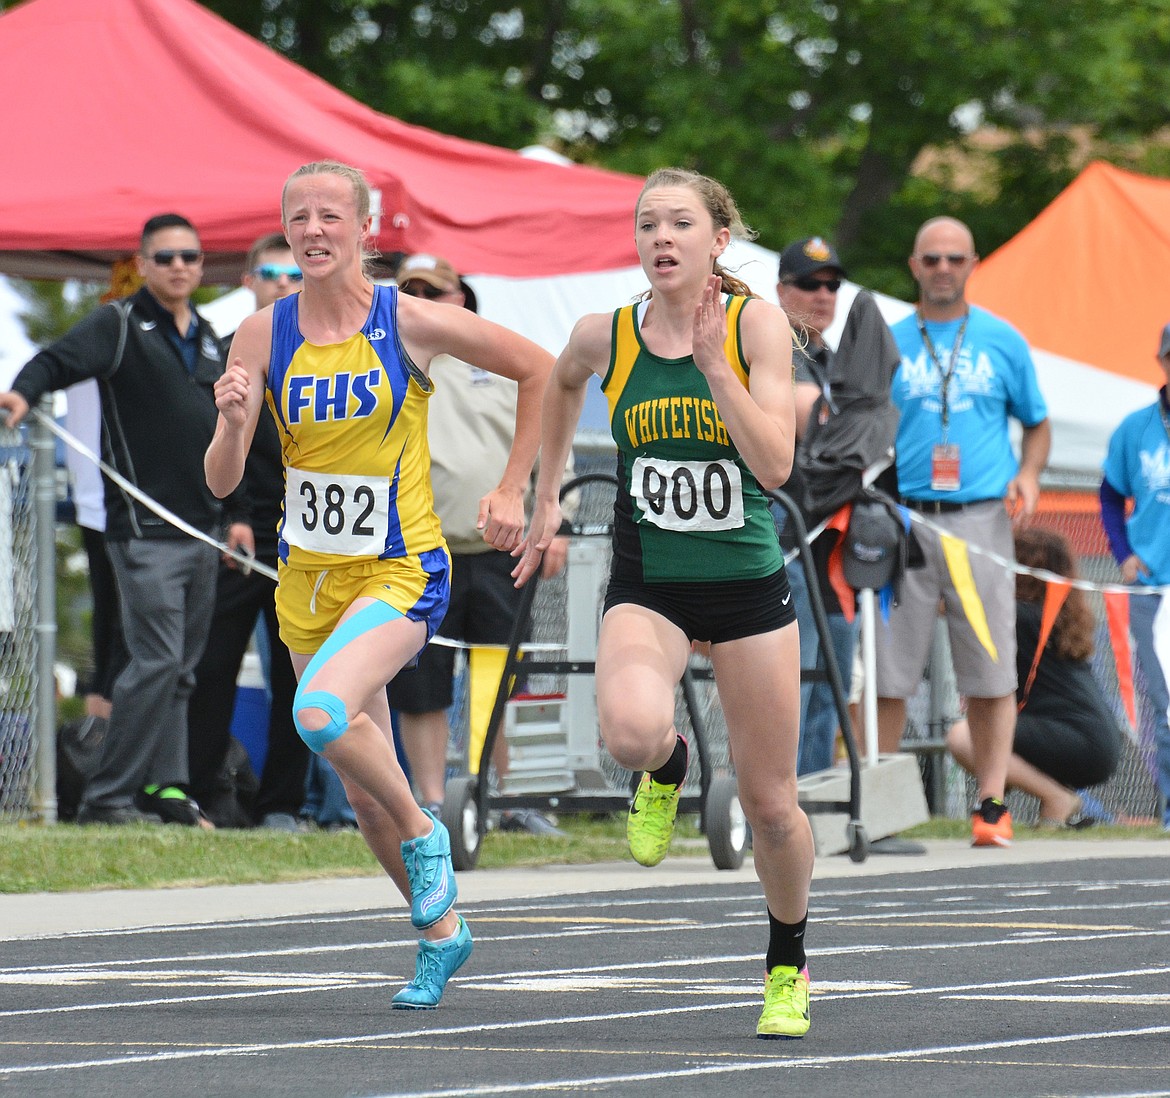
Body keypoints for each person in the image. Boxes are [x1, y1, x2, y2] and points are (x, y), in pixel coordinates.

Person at [205, 160, 553, 1008]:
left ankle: (426, 826)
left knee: (320, 713)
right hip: (307, 583)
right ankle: (440, 936)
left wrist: (514, 488)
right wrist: (232, 418)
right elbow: (219, 483)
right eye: (299, 218)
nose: (314, 231)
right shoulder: (259, 334)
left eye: (331, 216)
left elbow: (540, 368)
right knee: (361, 792)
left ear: (367, 230)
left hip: (401, 568)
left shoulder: (412, 321)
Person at [514, 167, 813, 1040]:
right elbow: (560, 381)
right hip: (651, 582)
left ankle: (787, 963)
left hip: (749, 588)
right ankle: (670, 766)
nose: (661, 239)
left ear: (719, 241)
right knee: (630, 733)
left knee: (770, 803)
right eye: (648, 225)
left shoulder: (757, 324)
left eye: (681, 223)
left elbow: (774, 467)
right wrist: (549, 488)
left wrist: (717, 364)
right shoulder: (605, 333)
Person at [0, 213, 241, 827]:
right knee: (156, 661)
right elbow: (54, 361)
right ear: (141, 263)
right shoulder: (119, 324)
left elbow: (230, 431)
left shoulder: (212, 336)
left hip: (202, 527)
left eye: (189, 256)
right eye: (165, 258)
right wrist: (21, 396)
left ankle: (168, 792)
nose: (180, 267)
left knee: (182, 670)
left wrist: (233, 514)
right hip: (142, 531)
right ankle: (108, 797)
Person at [878, 216, 1051, 848]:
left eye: (955, 258)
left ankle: (992, 806)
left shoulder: (1003, 340)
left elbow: (1036, 422)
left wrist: (1029, 475)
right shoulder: (891, 340)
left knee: (989, 669)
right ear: (914, 266)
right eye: (932, 259)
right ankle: (879, 804)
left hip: (981, 517)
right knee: (889, 670)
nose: (943, 268)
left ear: (974, 262)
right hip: (905, 518)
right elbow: (861, 422)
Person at [389, 252, 569, 833]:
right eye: (409, 291)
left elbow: (543, 438)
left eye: (434, 292)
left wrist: (551, 517)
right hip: (420, 547)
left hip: (501, 544)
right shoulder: (386, 357)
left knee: (500, 673)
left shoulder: (503, 360)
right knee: (422, 685)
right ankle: (435, 803)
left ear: (462, 298)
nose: (422, 302)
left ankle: (502, 798)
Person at [187, 232, 308, 831]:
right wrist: (233, 514)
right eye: (271, 273)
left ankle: (283, 804)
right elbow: (211, 443)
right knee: (214, 667)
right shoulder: (223, 350)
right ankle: (206, 795)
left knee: (297, 671)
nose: (283, 284)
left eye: (293, 274)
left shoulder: (324, 349)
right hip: (236, 533)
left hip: (306, 535)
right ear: (249, 280)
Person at [946, 527, 1120, 826]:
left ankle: (1057, 798)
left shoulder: (1020, 616)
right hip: (1095, 742)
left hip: (1076, 739)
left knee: (963, 737)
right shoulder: (1058, 615)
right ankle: (1053, 803)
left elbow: (953, 605)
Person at [773, 237, 859, 775]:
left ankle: (820, 804)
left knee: (834, 675)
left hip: (831, 538)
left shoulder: (832, 359)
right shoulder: (769, 346)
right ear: (782, 291)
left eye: (832, 285)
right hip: (784, 532)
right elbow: (819, 421)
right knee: (794, 678)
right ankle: (780, 807)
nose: (824, 295)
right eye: (810, 284)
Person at [1100, 322, 1170, 831]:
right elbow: (1109, 493)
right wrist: (1122, 551)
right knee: (1161, 699)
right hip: (1150, 583)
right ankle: (1168, 801)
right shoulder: (1137, 428)